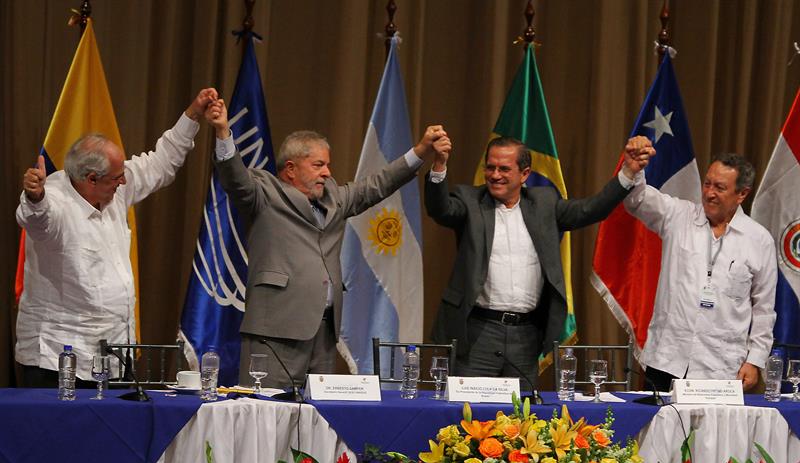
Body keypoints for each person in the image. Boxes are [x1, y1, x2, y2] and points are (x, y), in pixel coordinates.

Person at [203, 97, 449, 388]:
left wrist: (420, 152)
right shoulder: (264, 193)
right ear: (291, 169)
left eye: (327, 165)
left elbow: (379, 184)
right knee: (269, 415)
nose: (327, 173)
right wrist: (222, 133)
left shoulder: (334, 198)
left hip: (323, 334)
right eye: (318, 165)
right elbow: (234, 178)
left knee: (317, 420)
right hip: (275, 333)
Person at [16, 88, 218, 387]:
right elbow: (37, 220)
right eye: (116, 176)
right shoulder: (56, 201)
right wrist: (35, 198)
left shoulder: (114, 190)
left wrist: (192, 114)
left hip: (112, 356)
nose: (124, 181)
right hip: (58, 360)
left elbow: (160, 164)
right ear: (91, 179)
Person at [425, 135, 652, 387]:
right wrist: (439, 165)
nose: (495, 175)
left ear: (524, 174)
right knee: (469, 417)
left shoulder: (544, 203)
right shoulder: (470, 201)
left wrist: (628, 172)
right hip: (478, 332)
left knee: (521, 419)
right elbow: (441, 209)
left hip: (526, 335)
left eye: (504, 169)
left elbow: (591, 209)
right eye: (490, 167)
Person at [622, 140, 777, 392]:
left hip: (721, 368)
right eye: (707, 183)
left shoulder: (759, 240)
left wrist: (755, 360)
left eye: (719, 187)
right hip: (666, 360)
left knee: (712, 433)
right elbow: (636, 199)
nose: (709, 193)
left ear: (742, 194)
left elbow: (764, 309)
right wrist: (633, 169)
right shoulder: (677, 216)